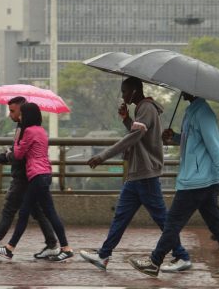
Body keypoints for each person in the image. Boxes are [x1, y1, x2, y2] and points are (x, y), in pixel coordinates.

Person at [80, 76, 192, 272]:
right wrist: (126, 119)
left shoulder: (146, 108)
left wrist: (103, 156)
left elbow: (133, 137)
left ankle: (182, 256)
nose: (122, 95)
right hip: (137, 174)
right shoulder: (142, 109)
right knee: (121, 217)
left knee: (162, 219)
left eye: (124, 91)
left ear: (134, 91)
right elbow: (138, 134)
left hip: (145, 174)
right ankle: (104, 255)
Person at [128, 93, 219, 278]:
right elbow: (193, 142)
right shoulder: (192, 111)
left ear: (194, 90)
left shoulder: (204, 113)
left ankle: (154, 262)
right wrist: (174, 137)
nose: (181, 90)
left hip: (196, 182)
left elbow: (215, 146)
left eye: (185, 88)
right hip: (201, 180)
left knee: (172, 222)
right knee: (217, 224)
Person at [0, 96, 58, 259]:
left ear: (22, 110)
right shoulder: (28, 127)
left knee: (10, 209)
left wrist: (0, 157)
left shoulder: (26, 129)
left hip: (24, 177)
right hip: (32, 176)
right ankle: (52, 244)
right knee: (38, 211)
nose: (10, 115)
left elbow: (18, 155)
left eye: (13, 111)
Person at [0, 102, 74, 262]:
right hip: (45, 174)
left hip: (35, 176)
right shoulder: (42, 131)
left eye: (22, 115)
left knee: (24, 214)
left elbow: (19, 154)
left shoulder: (28, 131)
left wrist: (14, 144)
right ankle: (65, 248)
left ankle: (9, 248)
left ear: (27, 116)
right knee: (49, 213)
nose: (20, 117)